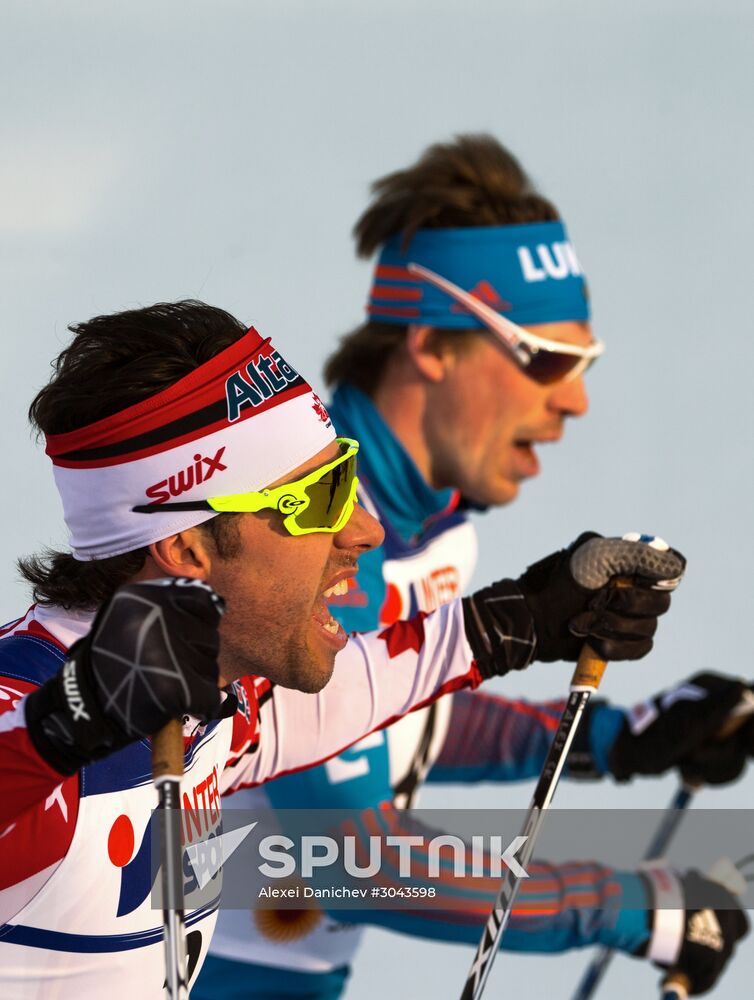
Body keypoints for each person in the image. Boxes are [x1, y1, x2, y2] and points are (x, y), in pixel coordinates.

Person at [0, 299, 686, 997]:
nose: (364, 530)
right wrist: (59, 730)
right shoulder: (42, 711)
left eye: (348, 478)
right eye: (320, 498)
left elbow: (338, 704)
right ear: (188, 549)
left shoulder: (205, 704)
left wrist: (524, 620)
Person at [201, 137, 752, 999]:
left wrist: (616, 738)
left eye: (585, 366)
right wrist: (631, 909)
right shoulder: (304, 536)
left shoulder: (433, 528)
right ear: (431, 344)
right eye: (546, 358)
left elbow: (381, 724)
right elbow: (353, 863)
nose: (575, 400)